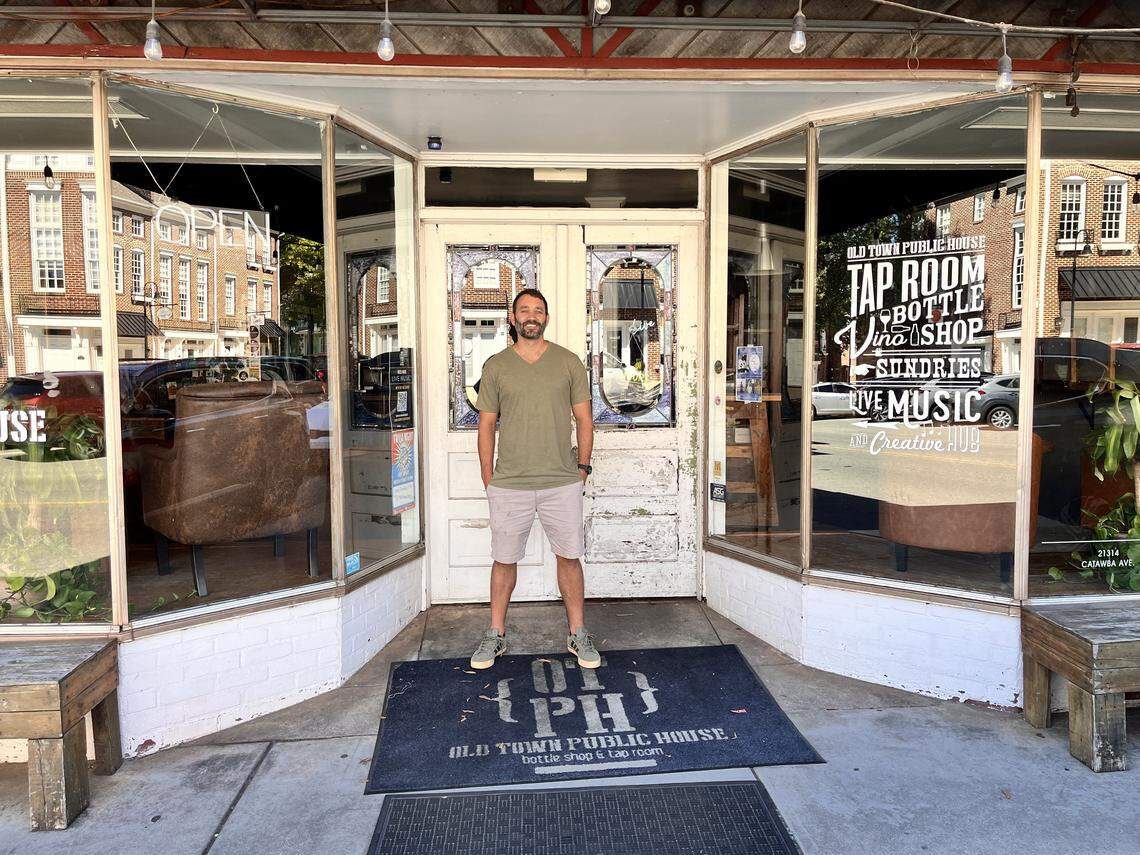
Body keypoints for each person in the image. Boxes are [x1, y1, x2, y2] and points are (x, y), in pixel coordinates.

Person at [469, 287, 600, 670]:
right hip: (510, 483)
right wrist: (488, 476)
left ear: (547, 317)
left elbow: (585, 420)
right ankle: (496, 634)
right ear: (513, 317)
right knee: (503, 559)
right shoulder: (496, 366)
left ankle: (578, 633)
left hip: (562, 480)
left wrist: (582, 468)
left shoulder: (568, 363)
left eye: (538, 310)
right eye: (524, 310)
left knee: (570, 557)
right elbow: (486, 425)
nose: (531, 316)